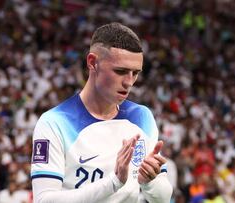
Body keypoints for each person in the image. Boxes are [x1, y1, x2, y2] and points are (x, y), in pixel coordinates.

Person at [30, 22, 173, 203]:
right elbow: (44, 200)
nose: (129, 82)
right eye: (120, 71)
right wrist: (113, 182)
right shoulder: (55, 122)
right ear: (92, 62)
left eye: (135, 73)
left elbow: (163, 199)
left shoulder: (142, 117)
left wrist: (150, 182)